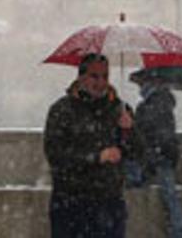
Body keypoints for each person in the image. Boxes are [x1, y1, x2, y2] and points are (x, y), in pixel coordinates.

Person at [44, 53, 144, 238]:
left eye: (105, 76)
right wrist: (96, 157)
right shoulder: (62, 110)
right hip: (71, 203)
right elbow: (56, 156)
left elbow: (138, 152)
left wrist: (129, 130)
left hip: (110, 202)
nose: (100, 83)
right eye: (94, 76)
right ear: (81, 77)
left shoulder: (120, 109)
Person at [134, 79, 182, 238]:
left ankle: (176, 230)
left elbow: (146, 129)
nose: (140, 89)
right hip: (166, 152)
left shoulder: (151, 104)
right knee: (169, 193)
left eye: (140, 84)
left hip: (156, 153)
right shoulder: (165, 101)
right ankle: (177, 229)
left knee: (160, 191)